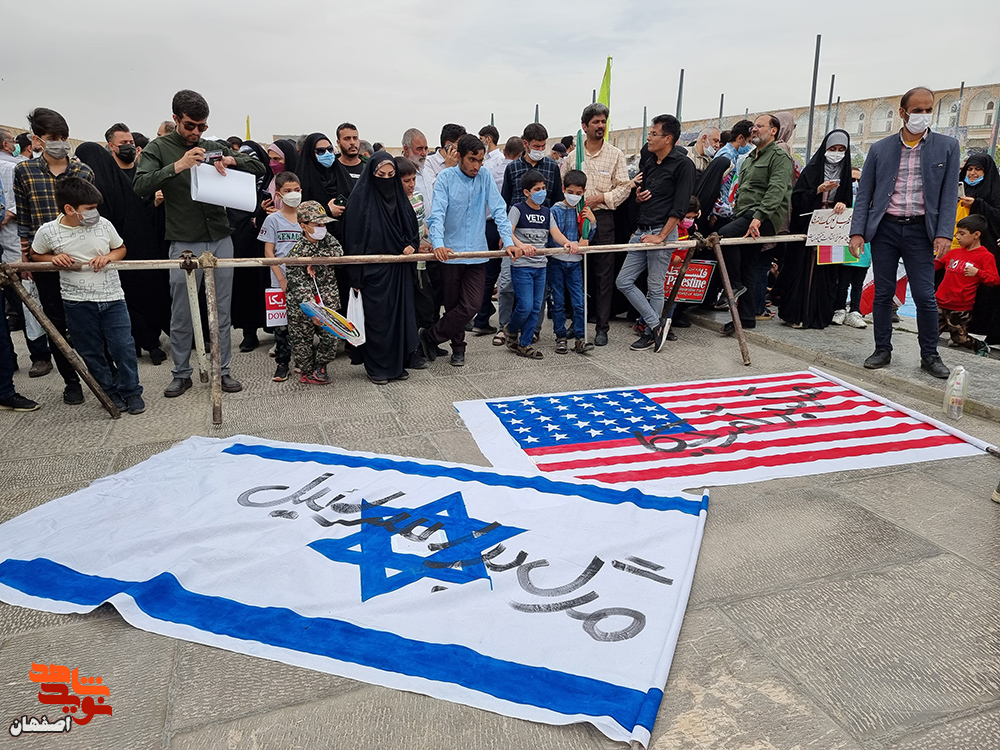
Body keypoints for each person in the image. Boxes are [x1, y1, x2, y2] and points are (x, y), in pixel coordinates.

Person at [133, 89, 266, 397]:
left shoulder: (212, 146)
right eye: (190, 125)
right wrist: (177, 166)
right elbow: (140, 184)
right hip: (184, 240)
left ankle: (223, 370)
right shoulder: (158, 148)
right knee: (182, 311)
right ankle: (181, 373)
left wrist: (231, 159)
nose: (196, 132)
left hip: (220, 237)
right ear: (176, 118)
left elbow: (259, 166)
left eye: (202, 126)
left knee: (221, 310)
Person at [849, 86, 960, 379]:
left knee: (924, 295)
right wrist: (857, 232)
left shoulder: (947, 147)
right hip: (885, 229)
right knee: (883, 292)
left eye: (928, 110)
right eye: (917, 110)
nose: (923, 115)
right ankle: (882, 349)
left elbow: (949, 195)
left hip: (921, 231)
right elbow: (865, 193)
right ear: (902, 112)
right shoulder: (880, 149)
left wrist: (944, 233)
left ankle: (930, 355)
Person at [29, 177, 145, 414]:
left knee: (123, 347)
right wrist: (54, 258)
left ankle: (132, 391)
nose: (95, 213)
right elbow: (35, 254)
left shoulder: (104, 225)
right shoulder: (48, 231)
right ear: (69, 209)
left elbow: (120, 248)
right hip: (76, 301)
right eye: (89, 208)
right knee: (90, 351)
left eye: (96, 207)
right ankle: (108, 392)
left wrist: (108, 257)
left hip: (112, 296)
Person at [13, 107, 93, 405]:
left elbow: (93, 217)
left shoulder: (83, 172)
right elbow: (24, 220)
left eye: (63, 137)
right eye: (53, 138)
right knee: (55, 324)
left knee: (87, 322)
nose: (59, 143)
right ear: (37, 140)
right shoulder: (25, 172)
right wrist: (26, 260)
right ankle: (71, 382)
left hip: (81, 261)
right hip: (45, 261)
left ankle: (100, 375)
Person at [421, 134, 519, 367]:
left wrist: (509, 241)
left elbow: (499, 209)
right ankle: (458, 348)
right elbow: (437, 214)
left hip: (477, 253)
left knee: (472, 305)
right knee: (453, 305)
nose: (476, 165)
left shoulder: (484, 177)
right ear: (459, 156)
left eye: (480, 160)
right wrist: (438, 243)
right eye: (472, 159)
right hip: (450, 254)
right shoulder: (445, 178)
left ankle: (430, 336)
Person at [76, 142, 170, 365]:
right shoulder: (123, 182)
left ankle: (143, 344)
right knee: (146, 298)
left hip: (111, 254)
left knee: (126, 301)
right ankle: (153, 344)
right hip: (140, 250)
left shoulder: (93, 188)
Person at [615, 114, 696, 352]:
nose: (648, 138)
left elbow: (680, 207)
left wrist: (661, 237)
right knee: (624, 281)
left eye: (653, 133)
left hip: (663, 232)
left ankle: (651, 333)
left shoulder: (683, 165)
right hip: (642, 230)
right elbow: (645, 196)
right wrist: (639, 198)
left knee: (655, 287)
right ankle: (656, 325)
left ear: (668, 138)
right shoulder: (650, 161)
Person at [343, 152, 420, 384]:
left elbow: (412, 230)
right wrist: (355, 277)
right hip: (372, 273)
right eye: (381, 175)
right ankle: (376, 367)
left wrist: (411, 245)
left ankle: (396, 365)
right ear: (371, 174)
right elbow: (352, 241)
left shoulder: (400, 200)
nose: (386, 180)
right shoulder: (360, 202)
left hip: (398, 271)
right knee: (376, 321)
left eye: (390, 175)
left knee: (399, 319)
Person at [717, 114, 794, 333]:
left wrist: (759, 217)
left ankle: (734, 286)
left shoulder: (779, 156)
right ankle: (746, 317)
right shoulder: (751, 157)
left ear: (774, 130)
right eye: (754, 126)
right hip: (745, 215)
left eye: (760, 126)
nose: (755, 129)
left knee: (724, 236)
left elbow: (777, 189)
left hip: (763, 217)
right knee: (748, 265)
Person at [780, 130, 854, 330]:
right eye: (832, 148)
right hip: (808, 225)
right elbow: (797, 199)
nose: (836, 153)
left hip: (831, 230)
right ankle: (795, 315)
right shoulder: (812, 170)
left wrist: (842, 203)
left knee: (826, 270)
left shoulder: (845, 173)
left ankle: (818, 316)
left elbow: (847, 199)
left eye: (841, 149)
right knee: (800, 269)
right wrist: (818, 191)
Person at [576, 103, 635, 346]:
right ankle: (578, 324)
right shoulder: (574, 156)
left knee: (603, 274)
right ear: (585, 126)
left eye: (603, 122)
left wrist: (600, 198)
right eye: (596, 122)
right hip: (577, 219)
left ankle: (602, 327)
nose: (600, 126)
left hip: (603, 218)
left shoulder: (615, 154)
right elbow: (564, 185)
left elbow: (624, 187)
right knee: (577, 272)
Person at [506, 170, 579, 359]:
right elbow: (508, 232)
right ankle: (511, 329)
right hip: (522, 266)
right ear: (526, 192)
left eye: (543, 188)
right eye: (537, 189)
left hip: (541, 267)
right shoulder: (517, 209)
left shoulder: (547, 212)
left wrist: (567, 243)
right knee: (525, 306)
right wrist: (521, 246)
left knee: (536, 307)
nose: (542, 192)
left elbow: (555, 233)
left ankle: (525, 344)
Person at [284, 201, 343, 384]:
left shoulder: (327, 239)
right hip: (302, 305)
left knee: (331, 336)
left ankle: (321, 365)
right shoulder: (296, 253)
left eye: (323, 224)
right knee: (302, 341)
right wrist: (313, 311)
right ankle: (307, 371)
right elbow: (299, 285)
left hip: (328, 297)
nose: (322, 228)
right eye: (317, 224)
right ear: (304, 226)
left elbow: (339, 252)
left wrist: (315, 259)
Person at [258, 172, 303, 381]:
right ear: (278, 194)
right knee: (281, 325)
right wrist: (282, 279)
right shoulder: (272, 220)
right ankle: (282, 363)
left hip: (304, 281)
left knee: (302, 323)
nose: (293, 194)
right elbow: (269, 252)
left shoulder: (307, 217)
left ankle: (303, 361)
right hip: (279, 281)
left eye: (296, 190)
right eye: (288, 191)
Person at [228, 140, 272, 352]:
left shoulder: (270, 183)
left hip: (268, 244)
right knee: (245, 287)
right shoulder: (234, 184)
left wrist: (261, 217)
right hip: (243, 243)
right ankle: (249, 332)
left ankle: (275, 329)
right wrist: (250, 222)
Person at [935, 215, 999, 356]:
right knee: (928, 332)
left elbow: (994, 280)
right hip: (940, 301)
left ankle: (979, 345)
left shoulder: (986, 256)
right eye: (957, 233)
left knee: (960, 338)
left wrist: (978, 273)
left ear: (976, 235)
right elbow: (936, 265)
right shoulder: (954, 252)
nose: (957, 237)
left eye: (962, 233)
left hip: (960, 307)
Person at [549, 169, 596, 354]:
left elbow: (588, 237)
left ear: (584, 192)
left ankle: (580, 337)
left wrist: (592, 222)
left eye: (578, 193)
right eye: (570, 192)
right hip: (557, 261)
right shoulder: (555, 210)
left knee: (579, 301)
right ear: (563, 189)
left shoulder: (583, 210)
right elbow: (553, 236)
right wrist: (574, 243)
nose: (574, 196)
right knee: (558, 301)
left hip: (575, 263)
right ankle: (560, 337)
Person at [959, 153, 1000, 345]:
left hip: (988, 247)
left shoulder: (995, 190)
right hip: (961, 247)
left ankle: (981, 328)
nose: (973, 173)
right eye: (970, 169)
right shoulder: (961, 187)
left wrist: (977, 204)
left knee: (985, 287)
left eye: (978, 169)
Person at [472, 124, 506, 336]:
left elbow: (499, 201)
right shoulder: (490, 163)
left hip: (494, 222)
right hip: (485, 223)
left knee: (490, 273)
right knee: (488, 273)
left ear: (488, 138)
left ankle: (483, 316)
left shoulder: (497, 163)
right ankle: (482, 316)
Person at [500, 123, 564, 208]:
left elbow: (558, 199)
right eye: (536, 146)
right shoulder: (512, 168)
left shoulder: (552, 167)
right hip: (517, 215)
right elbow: (505, 199)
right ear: (525, 144)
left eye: (543, 146)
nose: (540, 150)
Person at [712, 119, 753, 222]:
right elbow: (716, 184)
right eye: (749, 141)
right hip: (720, 210)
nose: (751, 146)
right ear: (740, 138)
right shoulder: (727, 156)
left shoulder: (733, 154)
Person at [420, 124, 465, 214]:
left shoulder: (461, 162)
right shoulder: (429, 163)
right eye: (459, 144)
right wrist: (449, 168)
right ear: (448, 144)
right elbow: (434, 190)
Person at [263, 140, 299, 211]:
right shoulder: (270, 180)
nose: (272, 163)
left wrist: (281, 214)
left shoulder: (300, 181)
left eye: (277, 159)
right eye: (270, 159)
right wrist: (263, 208)